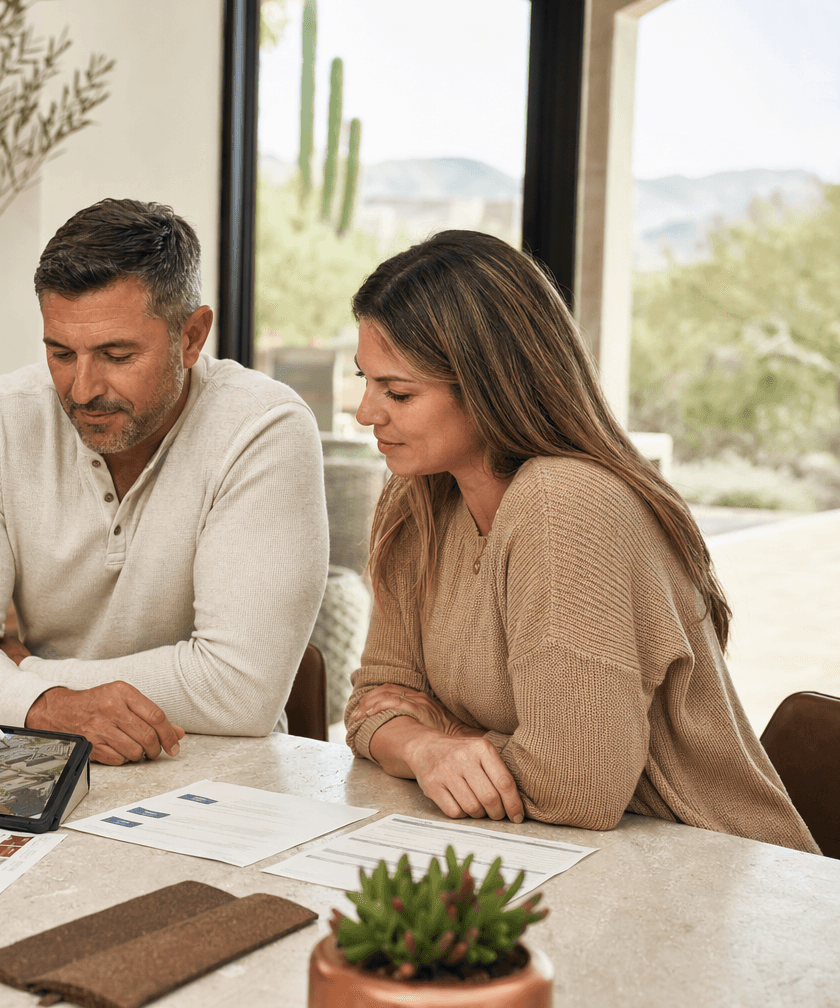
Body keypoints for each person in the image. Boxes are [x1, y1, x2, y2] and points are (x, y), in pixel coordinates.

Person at [342, 230, 818, 854]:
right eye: (366, 381)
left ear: (490, 385)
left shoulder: (565, 505)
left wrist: (448, 731)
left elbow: (574, 787)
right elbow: (372, 698)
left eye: (398, 392)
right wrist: (426, 746)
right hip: (563, 856)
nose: (364, 412)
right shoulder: (420, 498)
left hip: (716, 874)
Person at [0, 199, 329, 766]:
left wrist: (23, 676)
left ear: (192, 337)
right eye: (60, 353)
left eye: (117, 355)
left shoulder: (264, 428)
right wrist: (48, 705)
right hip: (43, 754)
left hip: (217, 774)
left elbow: (238, 690)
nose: (81, 389)